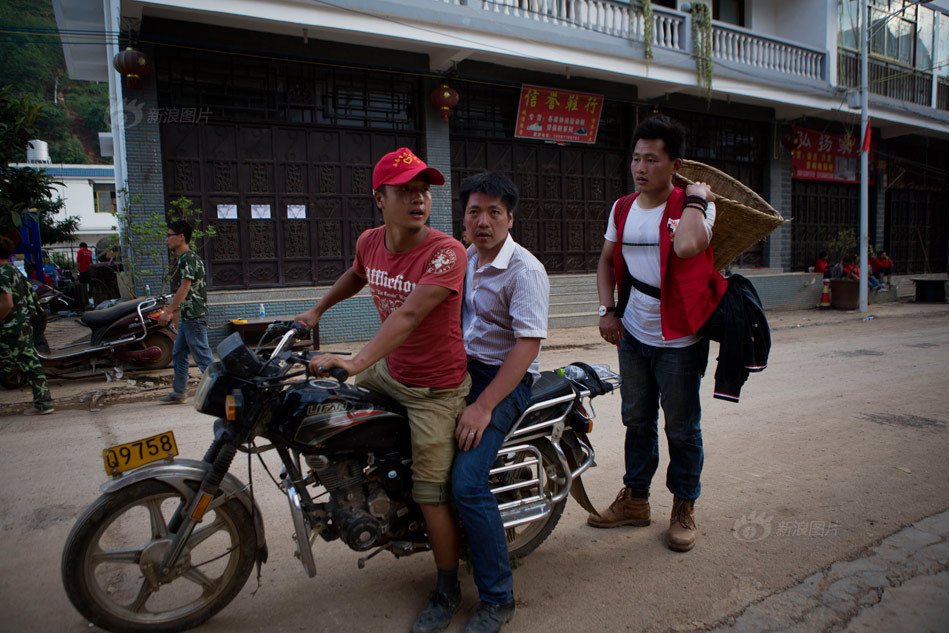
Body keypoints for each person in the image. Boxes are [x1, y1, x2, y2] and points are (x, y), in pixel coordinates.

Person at [294, 147, 471, 633]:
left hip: (435, 387)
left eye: (424, 191)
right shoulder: (371, 241)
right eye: (406, 190)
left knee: (432, 493)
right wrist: (315, 313)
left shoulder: (445, 252)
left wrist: (353, 361)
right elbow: (357, 274)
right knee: (321, 412)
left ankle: (447, 585)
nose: (418, 199)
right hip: (391, 369)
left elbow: (410, 315)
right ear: (380, 198)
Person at [592, 114, 726, 553]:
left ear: (675, 164)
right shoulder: (623, 208)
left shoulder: (695, 208)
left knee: (682, 428)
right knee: (636, 420)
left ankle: (683, 506)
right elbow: (607, 261)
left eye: (652, 159)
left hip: (680, 339)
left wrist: (696, 198)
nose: (640, 168)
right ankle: (635, 499)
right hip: (633, 332)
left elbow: (688, 246)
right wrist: (607, 310)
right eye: (635, 158)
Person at [452, 172, 549, 633]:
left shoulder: (525, 269)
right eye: (475, 211)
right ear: (464, 219)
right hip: (461, 369)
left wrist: (483, 405)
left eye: (494, 212)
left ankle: (497, 598)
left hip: (505, 378)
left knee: (468, 482)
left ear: (510, 217)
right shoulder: (463, 258)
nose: (483, 220)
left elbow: (527, 348)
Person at [158, 220, 214, 404]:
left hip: (194, 315)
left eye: (169, 235)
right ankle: (179, 392)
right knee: (179, 353)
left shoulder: (188, 258)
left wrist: (168, 311)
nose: (167, 239)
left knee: (203, 357)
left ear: (180, 237)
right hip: (189, 315)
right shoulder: (187, 258)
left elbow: (185, 287)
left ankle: (221, 391)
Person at [0, 237, 54, 415]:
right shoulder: (13, 270)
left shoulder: (2, 273)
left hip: (9, 327)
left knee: (28, 364)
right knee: (30, 363)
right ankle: (44, 402)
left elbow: (6, 303)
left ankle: (44, 403)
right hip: (22, 324)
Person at [76, 241, 92, 308]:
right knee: (90, 284)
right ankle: (90, 298)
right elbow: (91, 262)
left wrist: (78, 269)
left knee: (83, 286)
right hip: (89, 270)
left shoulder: (80, 251)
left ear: (81, 246)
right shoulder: (90, 252)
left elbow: (78, 261)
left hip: (82, 270)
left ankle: (85, 301)